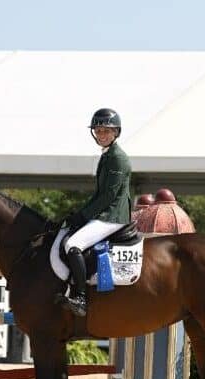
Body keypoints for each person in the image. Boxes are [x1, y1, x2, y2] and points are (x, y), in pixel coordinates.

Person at [55, 108, 134, 317]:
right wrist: (80, 213)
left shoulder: (118, 159)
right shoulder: (107, 156)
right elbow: (98, 195)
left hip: (113, 216)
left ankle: (80, 297)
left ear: (116, 132)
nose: (101, 135)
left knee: (72, 245)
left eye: (106, 131)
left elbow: (108, 196)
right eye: (98, 131)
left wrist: (83, 216)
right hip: (105, 213)